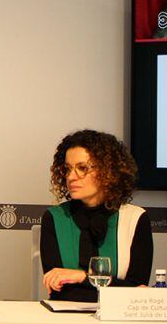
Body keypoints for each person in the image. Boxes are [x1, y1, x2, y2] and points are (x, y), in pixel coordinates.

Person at [41, 129, 153, 301]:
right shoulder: (54, 218)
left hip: (120, 322)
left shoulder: (135, 219)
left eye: (82, 168)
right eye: (68, 169)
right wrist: (115, 286)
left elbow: (137, 292)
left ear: (108, 171)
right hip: (67, 321)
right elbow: (60, 291)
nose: (71, 176)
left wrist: (81, 277)